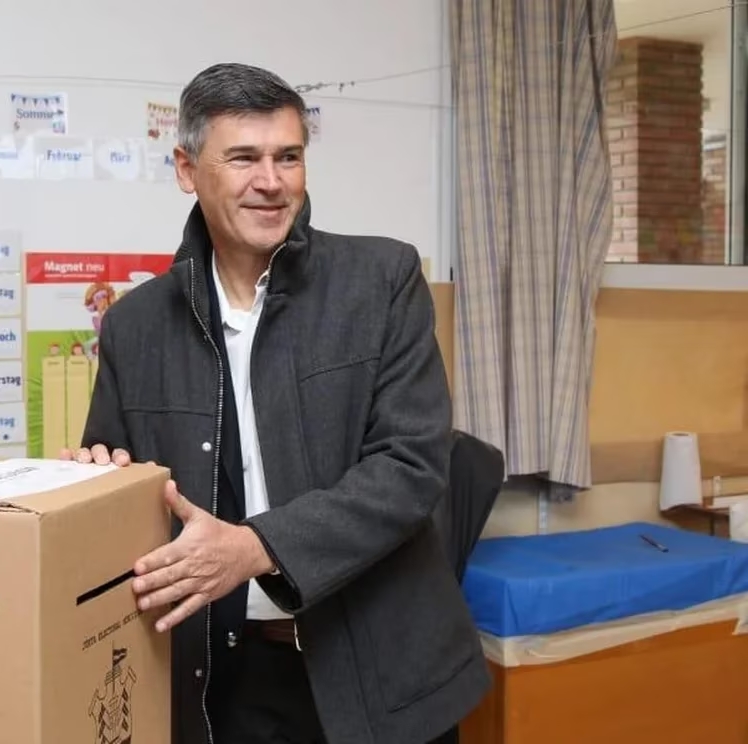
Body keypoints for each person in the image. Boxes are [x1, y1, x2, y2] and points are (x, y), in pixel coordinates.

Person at [60, 62, 489, 744]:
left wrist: (255, 548)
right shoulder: (136, 326)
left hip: (383, 676)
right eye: (243, 158)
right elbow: (122, 488)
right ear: (186, 169)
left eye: (288, 156)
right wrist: (94, 483)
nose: (271, 181)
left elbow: (411, 467)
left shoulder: (382, 280)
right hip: (224, 684)